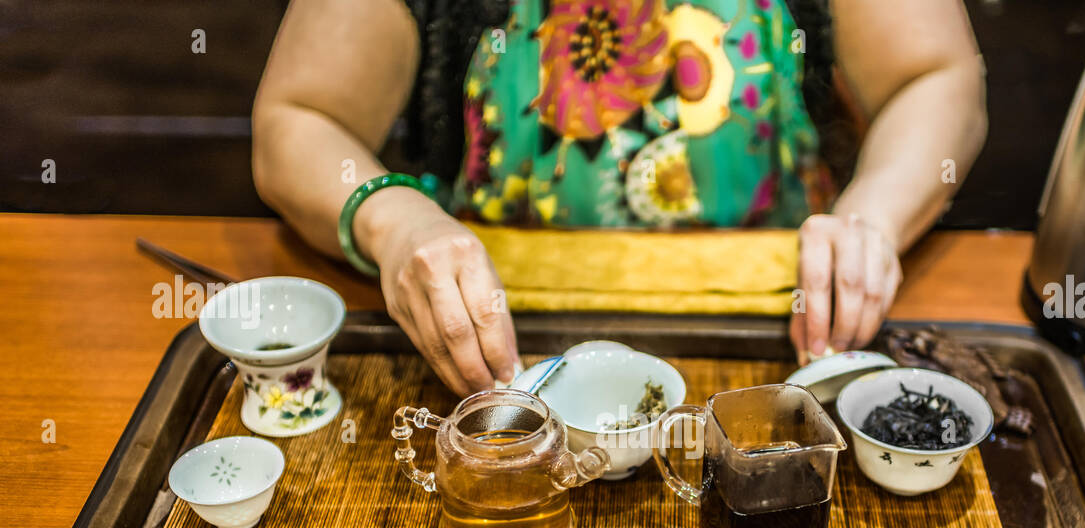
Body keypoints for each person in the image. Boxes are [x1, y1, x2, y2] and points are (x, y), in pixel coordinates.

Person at [252, 0, 986, 395]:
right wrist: (393, 218)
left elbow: (937, 77)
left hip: (785, 337)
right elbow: (298, 122)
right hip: (483, 342)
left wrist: (874, 215)